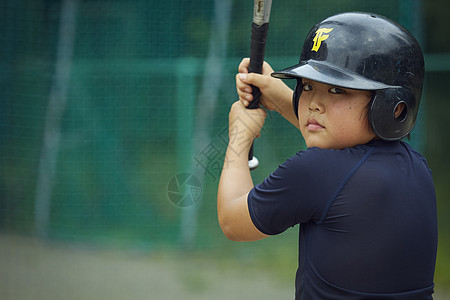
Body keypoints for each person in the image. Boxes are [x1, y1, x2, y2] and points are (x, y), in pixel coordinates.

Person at [217, 12, 438, 299]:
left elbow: (233, 222)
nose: (314, 105)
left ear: (393, 107)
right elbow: (342, 146)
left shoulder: (314, 171)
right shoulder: (416, 167)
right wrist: (280, 96)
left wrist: (238, 137)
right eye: (307, 87)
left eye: (337, 89)